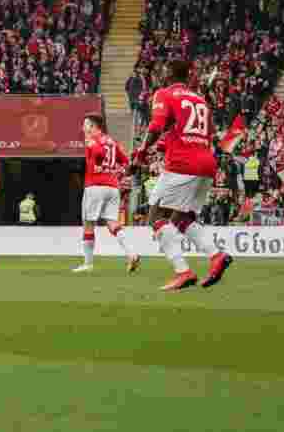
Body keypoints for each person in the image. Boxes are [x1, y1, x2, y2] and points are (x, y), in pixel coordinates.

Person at [131, 60, 233, 291]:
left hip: (182, 165)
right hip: (206, 164)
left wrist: (140, 154)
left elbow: (156, 125)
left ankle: (183, 271)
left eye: (162, 71)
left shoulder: (164, 94)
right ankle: (216, 255)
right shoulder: (200, 100)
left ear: (167, 73)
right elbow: (193, 132)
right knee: (184, 218)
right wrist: (164, 145)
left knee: (156, 217)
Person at [73, 115, 139, 274]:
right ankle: (131, 254)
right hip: (112, 187)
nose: (83, 128)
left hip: (95, 186)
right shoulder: (112, 141)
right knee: (112, 222)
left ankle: (88, 264)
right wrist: (117, 172)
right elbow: (126, 162)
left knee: (88, 224)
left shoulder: (92, 140)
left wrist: (97, 160)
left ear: (93, 126)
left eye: (85, 125)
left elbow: (99, 153)